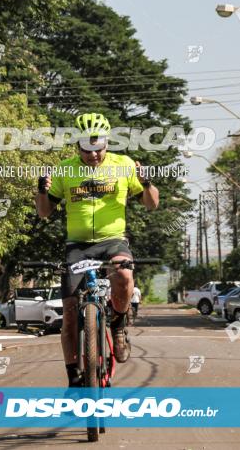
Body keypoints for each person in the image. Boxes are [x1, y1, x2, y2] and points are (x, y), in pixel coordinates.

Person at [35, 113, 158, 387]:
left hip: (113, 240)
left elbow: (151, 204)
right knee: (68, 313)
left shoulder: (123, 165)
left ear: (107, 143)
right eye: (86, 150)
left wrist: (147, 183)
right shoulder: (65, 169)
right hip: (76, 246)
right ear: (77, 146)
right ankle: (74, 377)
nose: (93, 155)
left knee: (125, 276)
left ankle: (118, 325)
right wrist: (41, 192)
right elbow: (44, 213)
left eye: (98, 149)